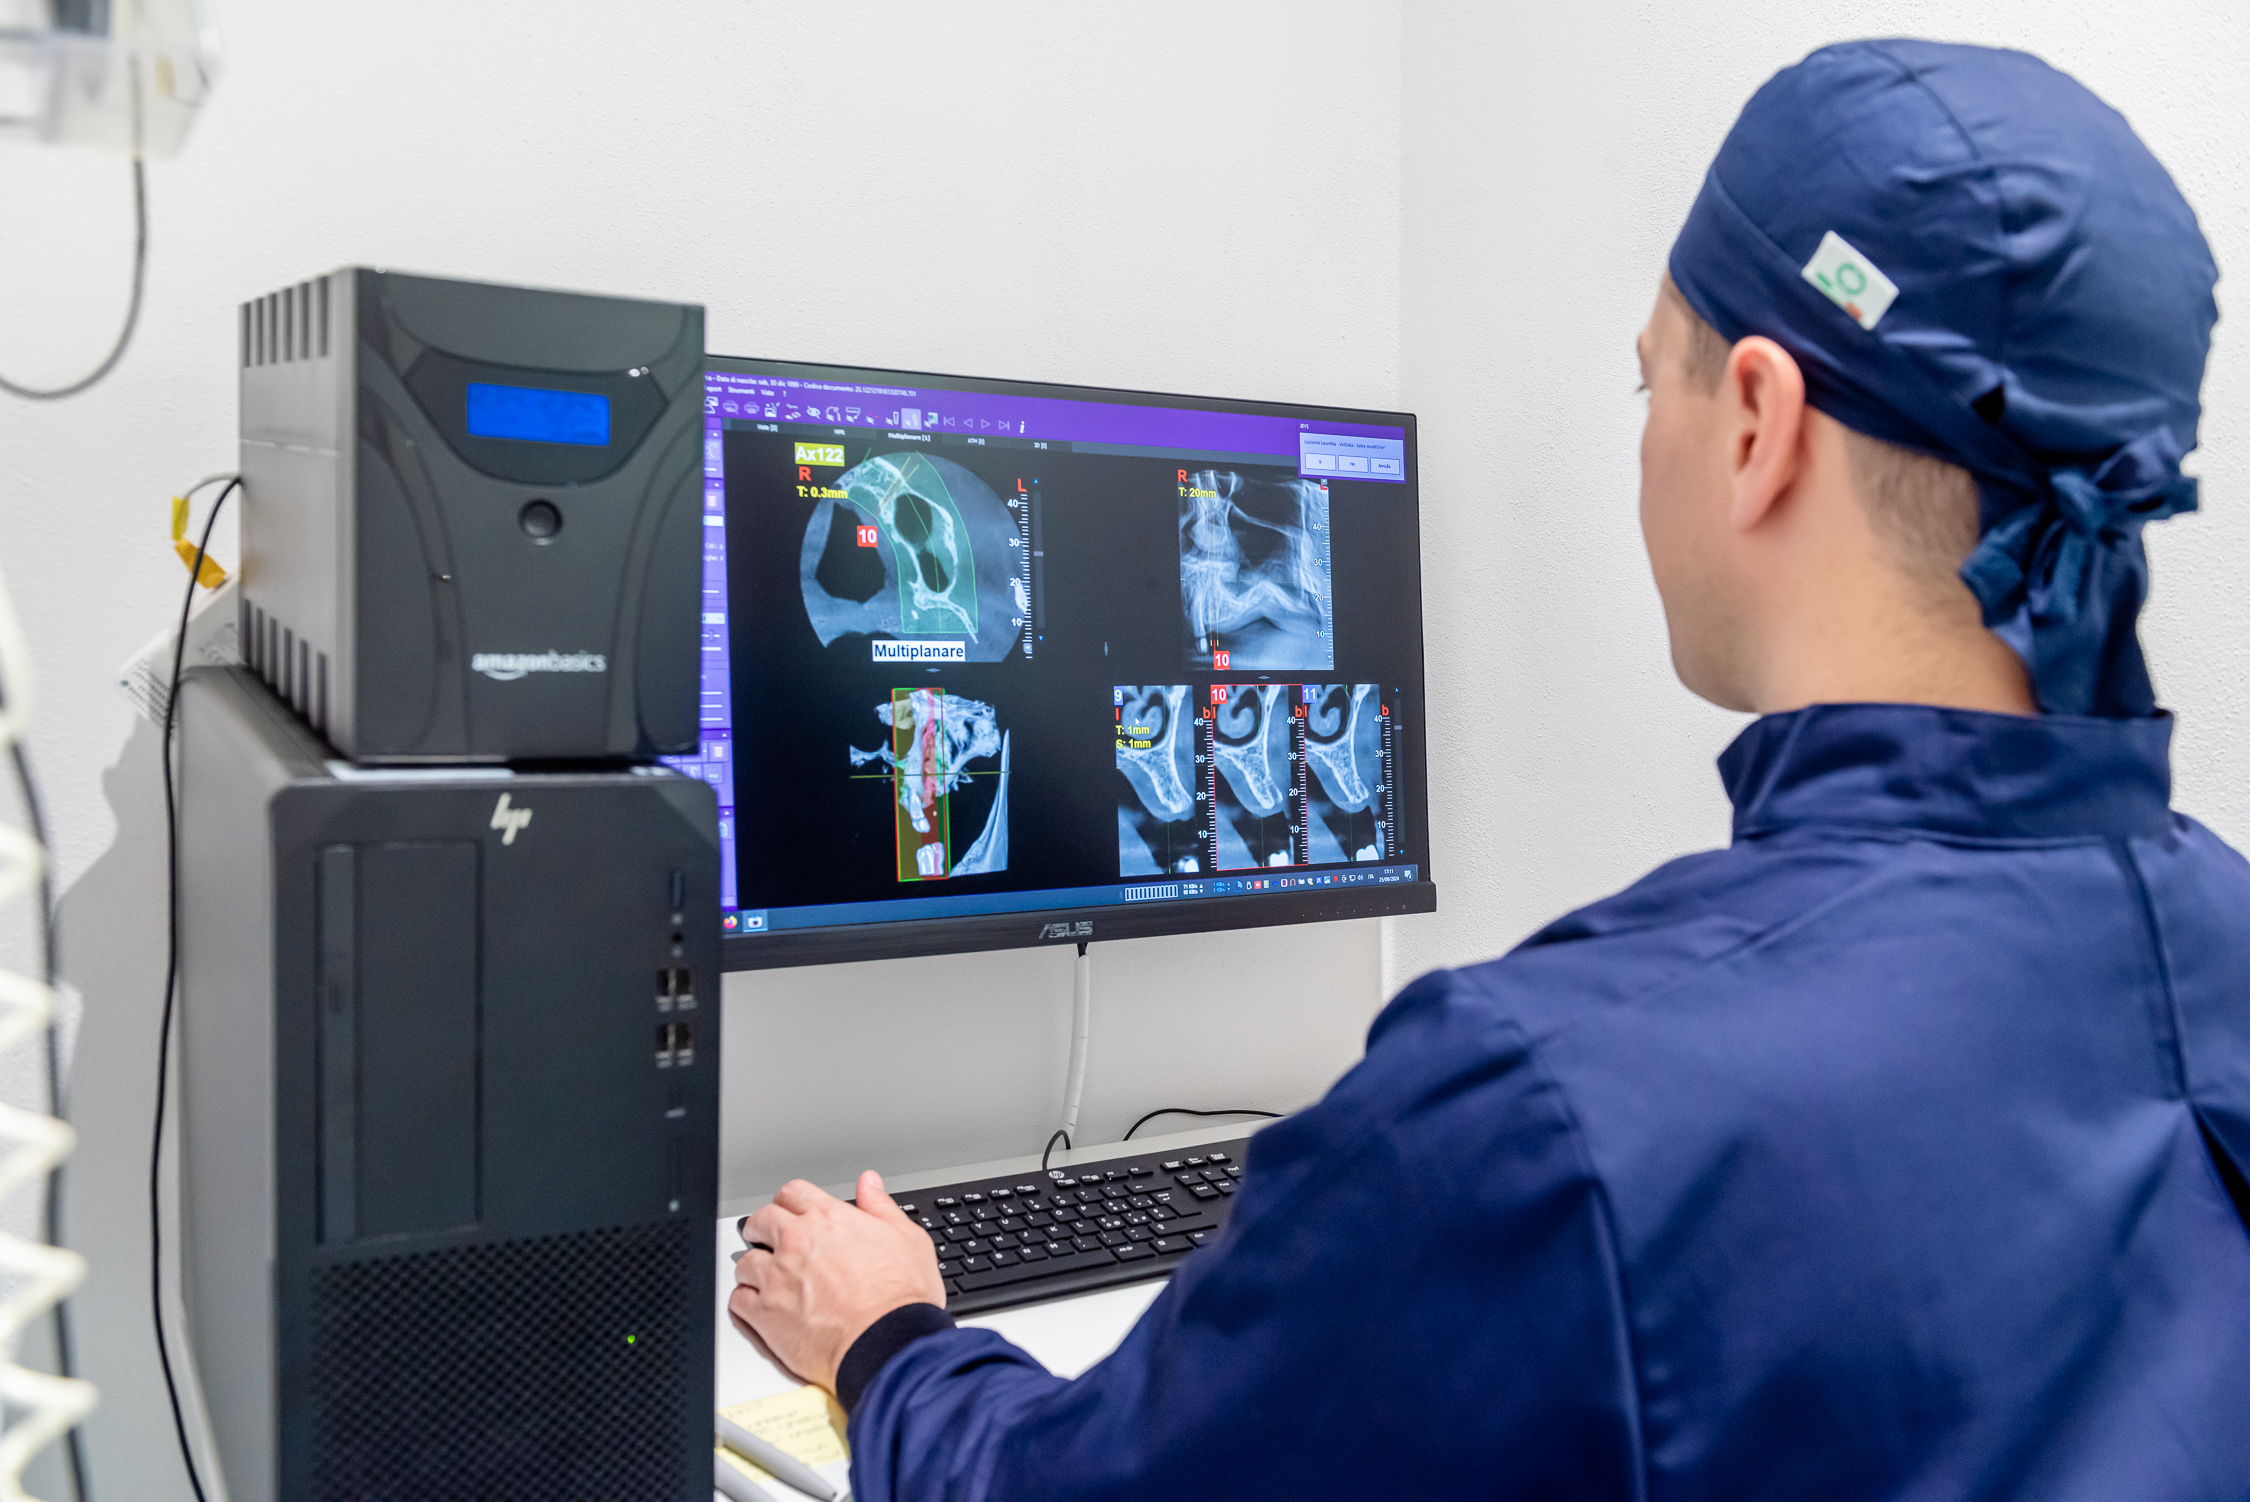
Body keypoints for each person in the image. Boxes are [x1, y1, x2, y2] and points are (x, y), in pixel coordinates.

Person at [730, 40, 2250, 1497]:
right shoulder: (2222, 948)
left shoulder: (1548, 1102)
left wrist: (891, 1337)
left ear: (1759, 427)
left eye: (1650, 383)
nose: (1646, 438)